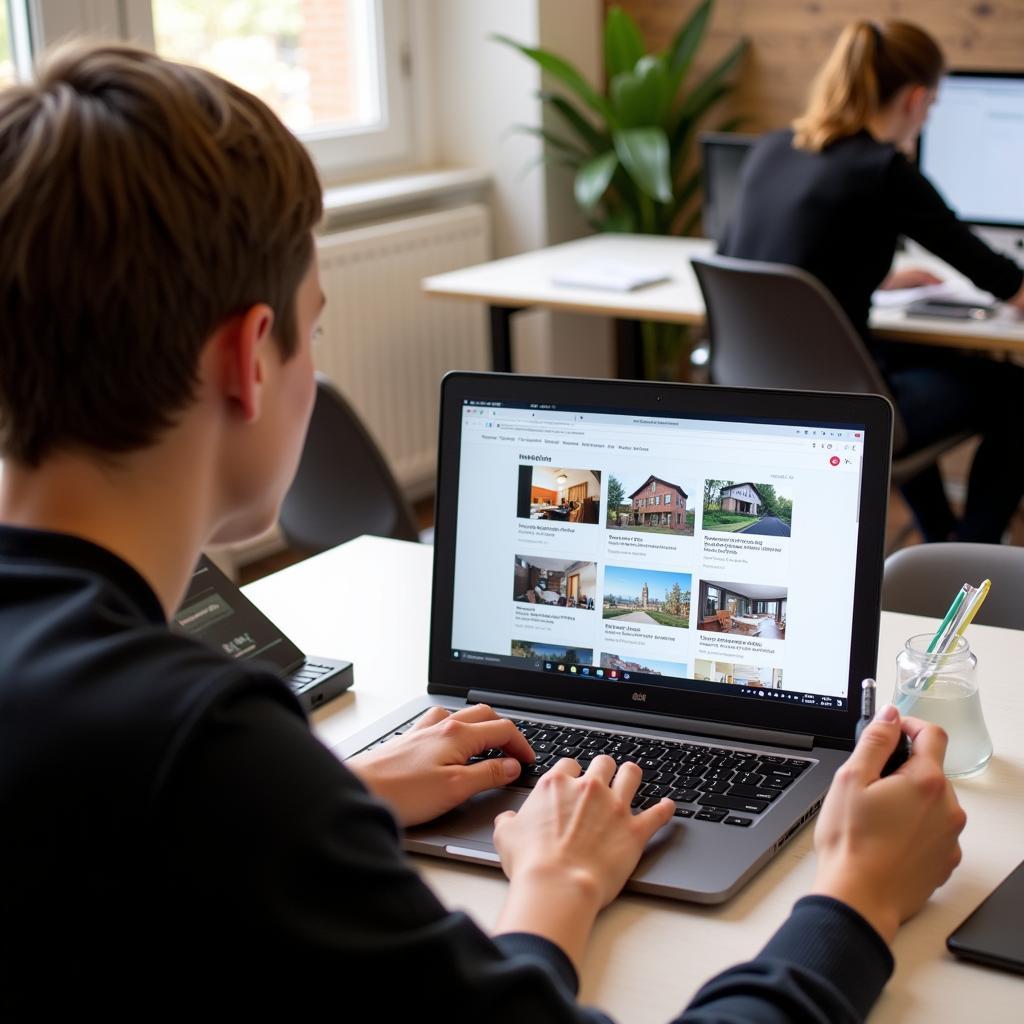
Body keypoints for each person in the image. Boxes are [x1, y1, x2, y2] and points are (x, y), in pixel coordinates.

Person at [0, 41, 966, 1020]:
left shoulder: (174, 757)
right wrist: (850, 897)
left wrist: (341, 796)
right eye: (315, 327)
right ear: (250, 358)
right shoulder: (206, 750)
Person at [720, 20, 1024, 543]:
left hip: (754, 392)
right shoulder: (884, 171)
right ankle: (969, 555)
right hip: (846, 406)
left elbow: (761, 263)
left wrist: (877, 279)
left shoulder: (772, 147)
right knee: (1017, 389)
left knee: (898, 368)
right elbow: (1000, 279)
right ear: (916, 98)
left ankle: (938, 539)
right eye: (932, 109)